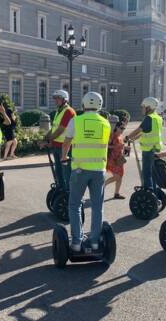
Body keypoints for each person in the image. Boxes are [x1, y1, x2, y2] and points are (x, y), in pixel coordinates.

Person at [61, 92, 111, 251]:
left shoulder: (76, 120)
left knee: (75, 205)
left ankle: (76, 242)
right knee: (97, 207)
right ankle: (95, 242)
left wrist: (63, 157)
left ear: (83, 104)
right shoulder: (106, 123)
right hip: (99, 171)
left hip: (80, 169)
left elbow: (67, 141)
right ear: (100, 105)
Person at [125, 97, 164, 192]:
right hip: (156, 149)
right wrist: (134, 138)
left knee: (146, 173)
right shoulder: (158, 118)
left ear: (148, 107)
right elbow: (146, 132)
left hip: (148, 150)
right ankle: (154, 191)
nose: (142, 109)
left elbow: (139, 129)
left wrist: (126, 137)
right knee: (153, 172)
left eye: (143, 107)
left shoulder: (149, 118)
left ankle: (149, 192)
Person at [41, 90, 76, 191]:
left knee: (66, 172)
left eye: (58, 98)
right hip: (56, 146)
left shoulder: (69, 111)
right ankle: (61, 190)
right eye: (55, 98)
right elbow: (54, 128)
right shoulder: (58, 111)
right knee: (58, 171)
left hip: (65, 146)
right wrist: (45, 137)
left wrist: (47, 141)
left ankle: (69, 192)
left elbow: (61, 129)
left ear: (65, 100)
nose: (56, 100)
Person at [105, 121, 129, 199]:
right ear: (117, 127)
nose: (123, 130)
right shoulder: (112, 135)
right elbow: (106, 146)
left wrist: (125, 148)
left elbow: (120, 146)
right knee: (117, 176)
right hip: (112, 159)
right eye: (121, 128)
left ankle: (116, 193)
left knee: (120, 176)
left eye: (124, 128)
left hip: (119, 159)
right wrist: (115, 146)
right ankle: (103, 185)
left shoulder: (121, 136)